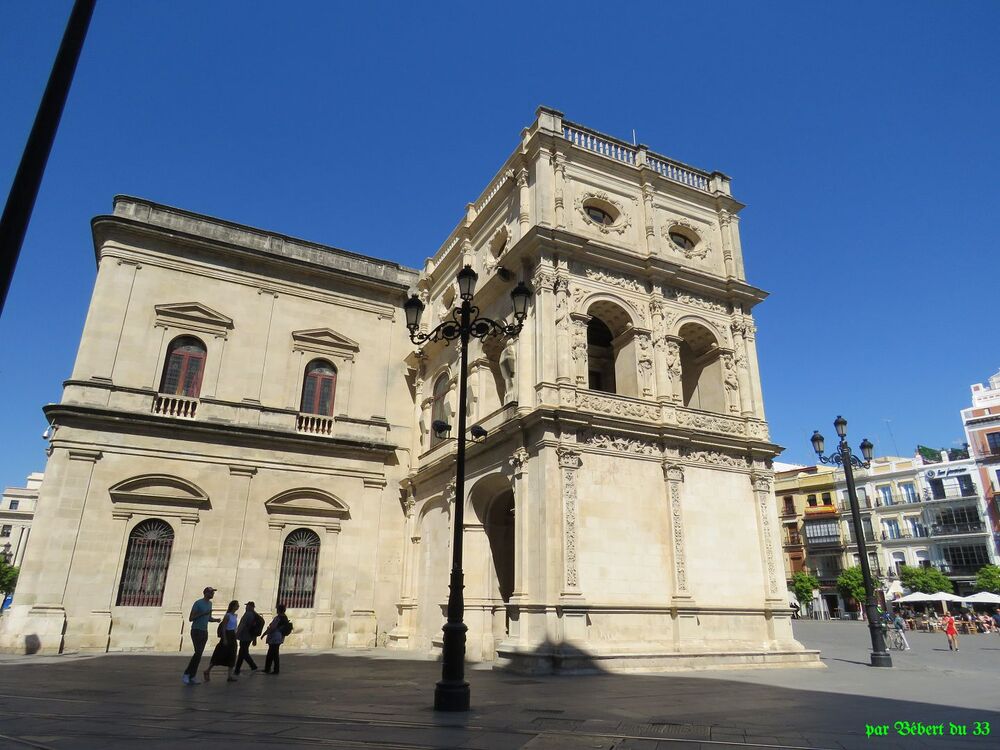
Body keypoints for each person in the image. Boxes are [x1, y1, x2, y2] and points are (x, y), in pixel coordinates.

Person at [183, 586, 220, 685]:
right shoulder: (198, 603)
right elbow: (191, 618)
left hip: (204, 631)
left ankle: (192, 676)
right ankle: (187, 674)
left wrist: (215, 620)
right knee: (198, 653)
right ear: (205, 593)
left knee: (198, 655)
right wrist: (203, 613)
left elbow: (208, 618)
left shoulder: (210, 604)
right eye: (211, 592)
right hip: (196, 630)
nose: (212, 594)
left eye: (213, 592)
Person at [205, 600, 240, 682]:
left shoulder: (235, 615)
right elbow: (224, 627)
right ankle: (207, 670)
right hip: (227, 635)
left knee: (232, 654)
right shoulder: (227, 615)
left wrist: (237, 634)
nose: (238, 606)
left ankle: (229, 675)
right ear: (233, 606)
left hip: (233, 636)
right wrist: (224, 639)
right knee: (220, 654)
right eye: (237, 605)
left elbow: (235, 627)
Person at [234, 601, 265, 675]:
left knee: (242, 652)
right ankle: (252, 666)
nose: (246, 607)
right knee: (244, 652)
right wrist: (254, 639)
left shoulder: (248, 614)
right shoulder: (255, 615)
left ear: (250, 607)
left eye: (247, 606)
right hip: (250, 637)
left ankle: (238, 669)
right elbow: (255, 628)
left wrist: (236, 634)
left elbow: (242, 625)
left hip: (244, 636)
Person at [263, 603, 290, 675]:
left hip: (275, 637)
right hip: (279, 637)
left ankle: (274, 669)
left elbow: (272, 627)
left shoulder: (279, 618)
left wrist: (264, 634)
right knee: (272, 653)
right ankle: (268, 668)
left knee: (273, 654)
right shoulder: (284, 617)